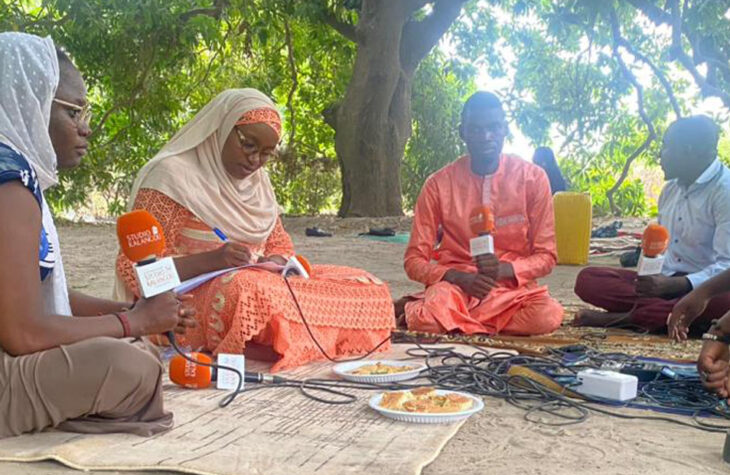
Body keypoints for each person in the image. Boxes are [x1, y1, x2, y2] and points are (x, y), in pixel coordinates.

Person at [0, 32, 195, 438]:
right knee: (131, 366)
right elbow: (24, 333)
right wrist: (132, 322)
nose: (85, 129)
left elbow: (28, 294)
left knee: (132, 350)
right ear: (29, 103)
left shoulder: (17, 174)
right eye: (74, 113)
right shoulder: (10, 187)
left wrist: (136, 316)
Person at [114, 89, 394, 371]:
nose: (254, 161)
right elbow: (132, 270)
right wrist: (210, 261)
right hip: (185, 300)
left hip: (260, 281)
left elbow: (279, 243)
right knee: (247, 290)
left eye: (266, 154)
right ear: (222, 128)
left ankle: (278, 340)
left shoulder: (258, 183)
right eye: (248, 145)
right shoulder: (170, 177)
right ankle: (268, 339)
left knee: (363, 282)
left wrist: (275, 261)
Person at [394, 91, 564, 335]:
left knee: (547, 315)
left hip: (510, 292)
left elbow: (547, 256)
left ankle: (452, 321)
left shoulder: (533, 178)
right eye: (475, 130)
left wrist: (505, 270)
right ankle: (455, 317)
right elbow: (414, 261)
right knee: (428, 320)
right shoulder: (438, 185)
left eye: (494, 128)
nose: (486, 137)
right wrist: (457, 277)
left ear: (505, 129)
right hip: (455, 288)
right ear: (462, 132)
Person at [574, 115, 730, 333]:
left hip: (707, 289)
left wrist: (680, 285)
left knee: (722, 302)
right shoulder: (670, 190)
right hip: (667, 284)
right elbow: (663, 249)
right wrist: (652, 278)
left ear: (688, 150)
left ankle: (626, 318)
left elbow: (727, 267)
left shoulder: (725, 191)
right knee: (588, 280)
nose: (660, 155)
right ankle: (669, 317)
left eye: (666, 147)